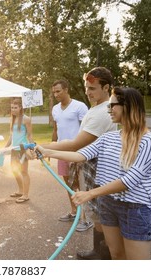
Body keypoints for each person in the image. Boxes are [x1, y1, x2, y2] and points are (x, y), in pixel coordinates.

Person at [33, 87, 151, 260]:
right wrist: (47, 152)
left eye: (112, 106)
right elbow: (80, 155)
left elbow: (130, 180)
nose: (109, 110)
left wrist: (90, 193)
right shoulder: (109, 138)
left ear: (128, 106)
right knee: (116, 255)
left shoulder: (149, 140)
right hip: (108, 204)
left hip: (134, 208)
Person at [27, 67, 117, 259]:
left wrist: (44, 147)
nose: (87, 92)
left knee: (102, 213)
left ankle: (106, 256)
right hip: (90, 163)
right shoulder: (96, 108)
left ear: (107, 87)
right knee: (95, 211)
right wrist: (45, 146)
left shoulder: (104, 112)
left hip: (101, 167)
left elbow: (77, 144)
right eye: (86, 87)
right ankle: (97, 252)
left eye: (92, 88)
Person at [51, 80, 88, 222]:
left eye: (58, 91)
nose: (56, 94)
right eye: (54, 92)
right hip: (61, 151)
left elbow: (86, 130)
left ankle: (85, 217)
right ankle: (73, 212)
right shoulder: (55, 109)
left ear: (66, 90)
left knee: (81, 184)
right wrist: (52, 147)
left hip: (77, 152)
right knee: (68, 184)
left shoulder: (79, 106)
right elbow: (56, 129)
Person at [4, 98, 33, 203]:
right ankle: (20, 191)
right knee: (14, 170)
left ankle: (25, 195)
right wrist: (5, 147)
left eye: (15, 107)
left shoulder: (26, 119)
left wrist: (31, 147)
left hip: (23, 149)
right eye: (12, 108)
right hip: (14, 149)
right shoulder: (12, 119)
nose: (13, 110)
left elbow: (29, 135)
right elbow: (11, 136)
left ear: (20, 108)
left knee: (24, 171)